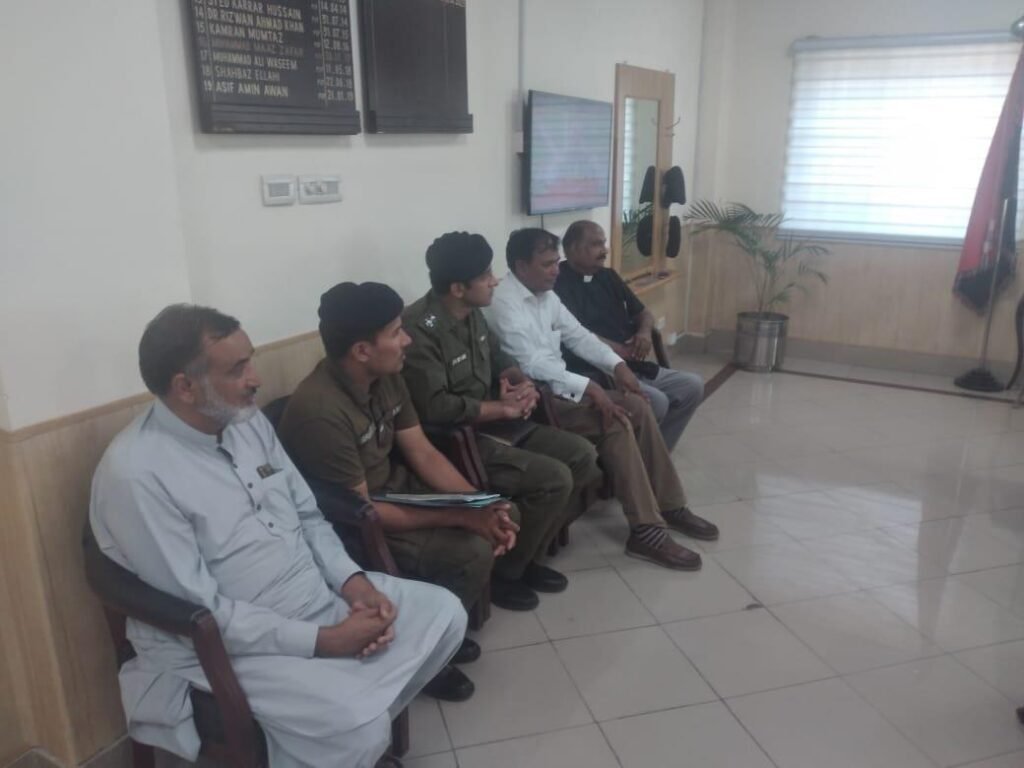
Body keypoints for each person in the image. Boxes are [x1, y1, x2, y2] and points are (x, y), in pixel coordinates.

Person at [90, 304, 466, 768]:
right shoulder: (137, 474)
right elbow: (203, 609)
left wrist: (353, 584)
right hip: (228, 648)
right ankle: (342, 734)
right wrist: (323, 641)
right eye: (237, 369)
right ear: (185, 387)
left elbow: (307, 515)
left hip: (316, 596)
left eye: (251, 360)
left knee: (446, 614)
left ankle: (333, 739)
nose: (256, 379)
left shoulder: (245, 420)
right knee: (361, 727)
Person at [277, 282, 533, 695]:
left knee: (503, 511)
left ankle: (444, 627)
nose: (407, 339)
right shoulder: (320, 411)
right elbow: (363, 509)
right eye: (396, 332)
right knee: (468, 550)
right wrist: (460, 517)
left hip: (396, 490)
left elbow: (423, 453)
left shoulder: (385, 376)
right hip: (355, 522)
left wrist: (479, 504)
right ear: (363, 350)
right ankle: (425, 655)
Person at [487, 228, 720, 570]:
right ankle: (646, 530)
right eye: (547, 264)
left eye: (555, 262)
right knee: (617, 418)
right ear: (522, 267)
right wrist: (591, 388)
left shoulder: (545, 295)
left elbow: (578, 336)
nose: (555, 270)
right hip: (536, 400)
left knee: (638, 404)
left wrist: (618, 366)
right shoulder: (503, 303)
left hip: (563, 388)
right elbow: (529, 363)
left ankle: (669, 505)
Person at [402, 231, 604, 588]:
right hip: (457, 440)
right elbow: (436, 407)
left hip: (496, 425)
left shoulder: (471, 313)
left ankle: (530, 552)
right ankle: (507, 574)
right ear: (458, 288)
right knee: (555, 478)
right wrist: (500, 409)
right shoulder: (421, 329)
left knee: (583, 455)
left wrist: (520, 382)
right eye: (485, 276)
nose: (494, 281)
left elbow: (499, 358)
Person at [556, 220, 704, 452]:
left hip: (634, 363)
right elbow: (576, 336)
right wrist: (617, 352)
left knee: (691, 386)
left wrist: (644, 333)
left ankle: (656, 457)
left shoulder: (608, 276)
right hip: (598, 370)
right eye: (596, 244)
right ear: (572, 249)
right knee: (656, 402)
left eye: (604, 243)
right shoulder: (557, 284)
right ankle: (643, 460)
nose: (604, 250)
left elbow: (643, 313)